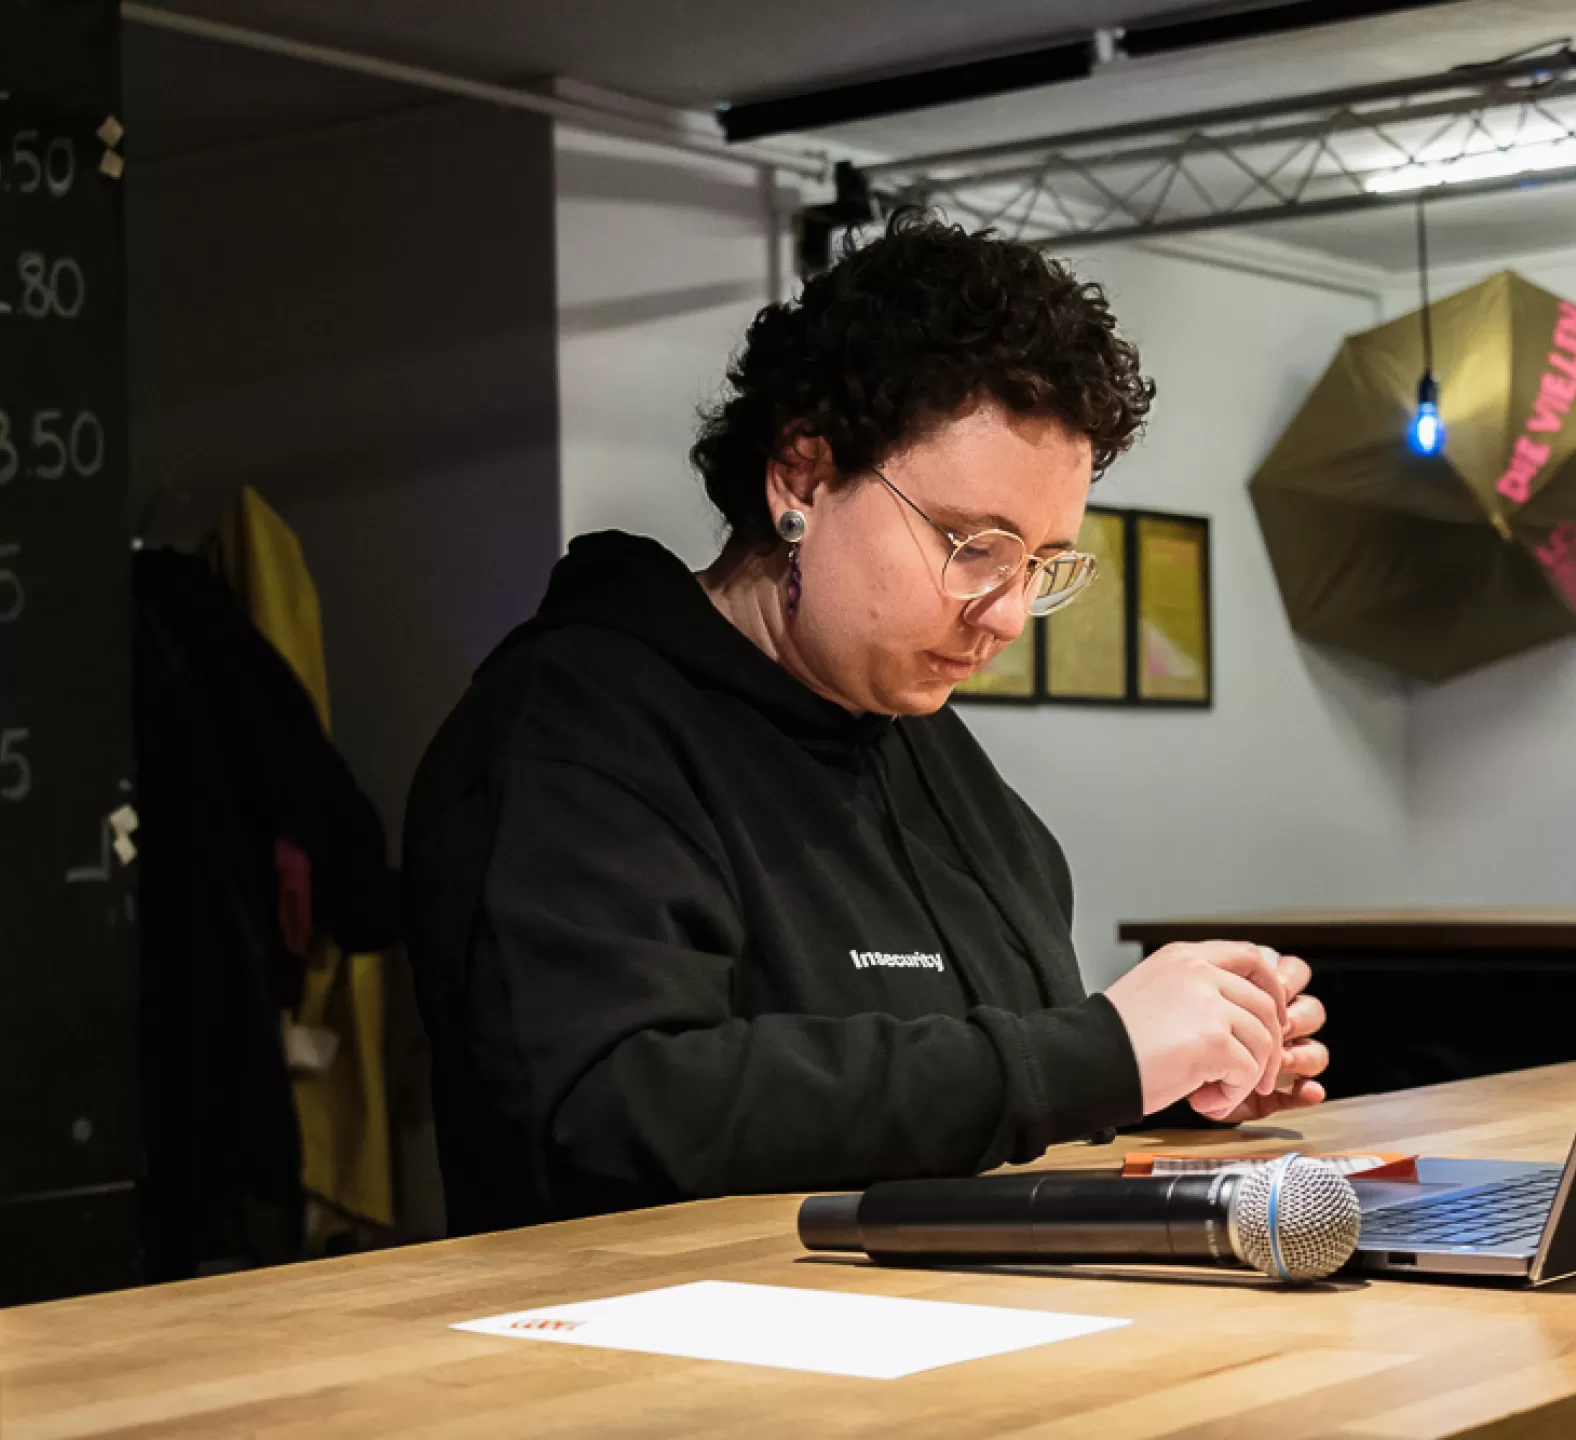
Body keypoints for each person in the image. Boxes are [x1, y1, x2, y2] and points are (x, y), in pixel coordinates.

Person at [405, 210, 1329, 1236]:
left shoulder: (942, 767)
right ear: (804, 477)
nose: (1008, 612)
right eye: (975, 544)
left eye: (1040, 564)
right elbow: (605, 1111)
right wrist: (1095, 1056)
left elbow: (985, 1098)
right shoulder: (574, 727)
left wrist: (1162, 1077)